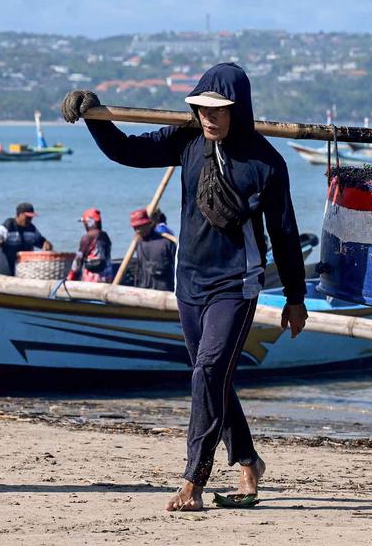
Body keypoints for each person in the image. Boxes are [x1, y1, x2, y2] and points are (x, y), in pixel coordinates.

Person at [62, 62, 309, 512]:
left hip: (236, 283)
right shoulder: (187, 140)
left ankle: (194, 480)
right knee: (210, 377)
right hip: (190, 281)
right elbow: (127, 151)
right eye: (201, 108)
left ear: (239, 109)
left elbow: (285, 234)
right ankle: (249, 460)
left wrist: (296, 297)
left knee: (209, 372)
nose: (209, 117)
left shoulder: (267, 164)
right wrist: (95, 115)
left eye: (219, 110)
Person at [0, 202, 52, 275]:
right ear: (18, 215)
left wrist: (47, 244)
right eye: (27, 217)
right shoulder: (7, 226)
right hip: (6, 273)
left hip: (25, 273)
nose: (29, 220)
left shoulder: (32, 229)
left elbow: (44, 243)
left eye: (31, 217)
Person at [127, 208, 176, 291]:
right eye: (135, 228)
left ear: (148, 224)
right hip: (144, 288)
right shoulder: (137, 243)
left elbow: (177, 267)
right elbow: (140, 268)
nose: (137, 231)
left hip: (164, 290)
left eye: (140, 227)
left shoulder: (166, 243)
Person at [67, 208, 113, 282]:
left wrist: (70, 277)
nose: (84, 225)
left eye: (84, 223)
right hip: (108, 277)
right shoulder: (105, 236)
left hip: (93, 279)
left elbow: (78, 259)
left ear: (89, 223)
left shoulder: (87, 237)